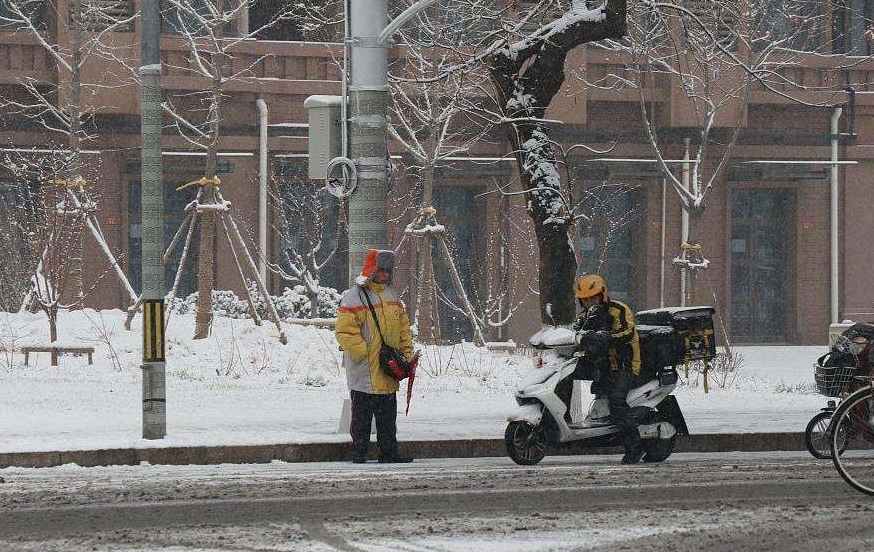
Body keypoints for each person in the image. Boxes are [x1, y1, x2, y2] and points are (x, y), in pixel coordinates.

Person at [335, 248, 415, 464]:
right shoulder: (353, 297)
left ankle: (388, 452)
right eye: (381, 270)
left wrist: (406, 353)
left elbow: (403, 328)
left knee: (387, 417)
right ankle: (359, 453)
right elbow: (344, 331)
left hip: (387, 368)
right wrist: (362, 352)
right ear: (371, 270)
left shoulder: (392, 295)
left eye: (388, 271)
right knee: (361, 416)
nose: (385, 275)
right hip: (365, 370)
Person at [572, 274, 644, 465]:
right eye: (585, 299)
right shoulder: (584, 317)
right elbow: (575, 333)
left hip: (624, 365)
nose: (589, 302)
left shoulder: (618, 310)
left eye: (593, 298)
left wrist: (606, 337)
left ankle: (635, 447)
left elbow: (628, 332)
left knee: (616, 400)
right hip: (602, 365)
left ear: (602, 295)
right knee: (567, 377)